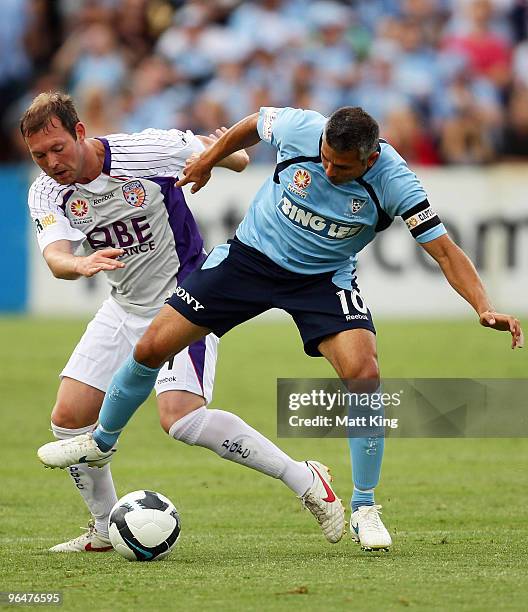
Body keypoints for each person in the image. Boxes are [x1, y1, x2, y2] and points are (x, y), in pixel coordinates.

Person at [38, 105, 523, 552]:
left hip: (322, 280)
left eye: (343, 168)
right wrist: (209, 158)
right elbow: (253, 124)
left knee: (364, 373)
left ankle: (365, 507)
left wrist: (483, 305)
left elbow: (444, 251)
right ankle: (101, 443)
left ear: (371, 158)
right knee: (149, 347)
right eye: (326, 161)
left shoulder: (395, 181)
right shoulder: (303, 129)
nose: (329, 171)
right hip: (249, 260)